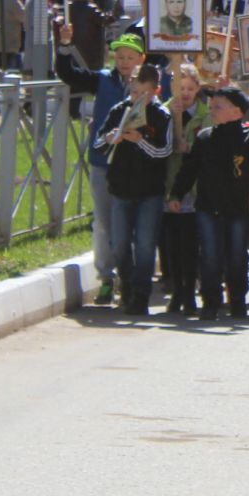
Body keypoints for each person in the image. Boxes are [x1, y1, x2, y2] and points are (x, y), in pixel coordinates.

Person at [53, 23, 149, 305]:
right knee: (104, 222)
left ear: (141, 59)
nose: (124, 63)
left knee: (131, 224)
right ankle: (106, 278)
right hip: (103, 161)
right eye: (120, 57)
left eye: (130, 58)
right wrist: (65, 47)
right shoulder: (102, 79)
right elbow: (69, 74)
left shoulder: (151, 83)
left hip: (137, 164)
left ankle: (129, 279)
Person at [167, 86, 249, 319]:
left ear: (237, 111)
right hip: (207, 208)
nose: (212, 110)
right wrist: (177, 194)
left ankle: (237, 301)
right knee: (210, 256)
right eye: (211, 106)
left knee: (236, 256)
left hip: (238, 210)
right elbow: (189, 169)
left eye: (218, 107)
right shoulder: (205, 138)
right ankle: (211, 302)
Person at [95, 62, 175, 315]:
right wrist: (111, 138)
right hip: (121, 188)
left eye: (143, 93)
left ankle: (141, 295)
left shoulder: (161, 116)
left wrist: (140, 141)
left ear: (155, 91)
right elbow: (98, 142)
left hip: (149, 191)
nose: (137, 98)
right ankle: (126, 286)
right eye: (134, 92)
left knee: (144, 245)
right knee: (119, 243)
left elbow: (164, 151)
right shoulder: (120, 110)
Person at [158, 63, 209, 316]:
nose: (185, 93)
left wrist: (190, 147)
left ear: (198, 89)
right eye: (180, 88)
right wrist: (169, 119)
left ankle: (189, 292)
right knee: (171, 245)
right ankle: (176, 289)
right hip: (170, 183)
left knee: (190, 245)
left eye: (190, 88)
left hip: (194, 187)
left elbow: (210, 143)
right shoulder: (165, 111)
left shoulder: (204, 114)